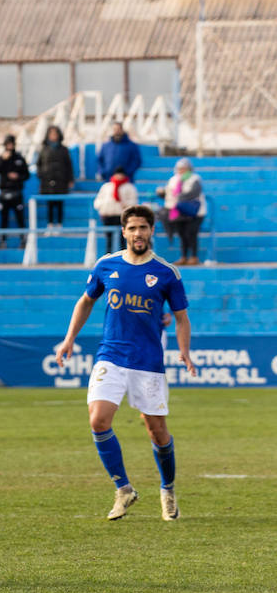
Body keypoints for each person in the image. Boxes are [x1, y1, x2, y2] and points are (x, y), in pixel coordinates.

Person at [54, 205, 196, 521]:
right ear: (123, 232)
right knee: (98, 419)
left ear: (152, 231)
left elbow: (181, 317)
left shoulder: (166, 272)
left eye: (143, 228)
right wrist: (69, 339)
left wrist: (184, 350)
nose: (138, 234)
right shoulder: (107, 265)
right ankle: (123, 489)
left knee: (157, 431)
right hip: (111, 355)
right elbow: (86, 301)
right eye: (132, 228)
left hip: (147, 361)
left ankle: (168, 489)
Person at [160, 158, 206, 265]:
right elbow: (168, 194)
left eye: (184, 168)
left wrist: (178, 198)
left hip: (194, 211)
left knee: (191, 233)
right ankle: (184, 257)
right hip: (179, 212)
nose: (181, 171)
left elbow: (193, 193)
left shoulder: (195, 178)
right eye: (180, 168)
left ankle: (194, 256)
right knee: (182, 234)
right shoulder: (173, 180)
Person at [0, 135, 28, 246]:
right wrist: (3, 159)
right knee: (4, 218)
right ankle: (2, 240)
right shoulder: (1, 157)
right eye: (8, 144)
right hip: (4, 192)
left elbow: (26, 174)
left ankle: (23, 239)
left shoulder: (19, 158)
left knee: (20, 217)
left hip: (17, 192)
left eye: (11, 143)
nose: (10, 146)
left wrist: (17, 176)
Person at [36, 125, 73, 229]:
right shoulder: (44, 149)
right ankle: (50, 225)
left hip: (61, 181)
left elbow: (68, 165)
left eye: (55, 133)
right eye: (51, 134)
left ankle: (60, 225)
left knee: (60, 203)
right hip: (47, 182)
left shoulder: (64, 149)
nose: (53, 136)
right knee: (50, 203)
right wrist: (41, 175)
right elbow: (39, 164)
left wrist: (70, 179)